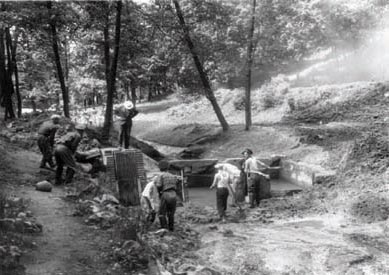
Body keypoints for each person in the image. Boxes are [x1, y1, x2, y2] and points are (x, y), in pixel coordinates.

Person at [154, 160, 180, 231]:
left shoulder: (161, 175)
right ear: (168, 167)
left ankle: (164, 228)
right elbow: (177, 184)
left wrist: (160, 194)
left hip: (165, 194)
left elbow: (159, 185)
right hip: (173, 194)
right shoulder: (173, 176)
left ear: (160, 168)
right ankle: (171, 228)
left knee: (161, 213)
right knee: (171, 213)